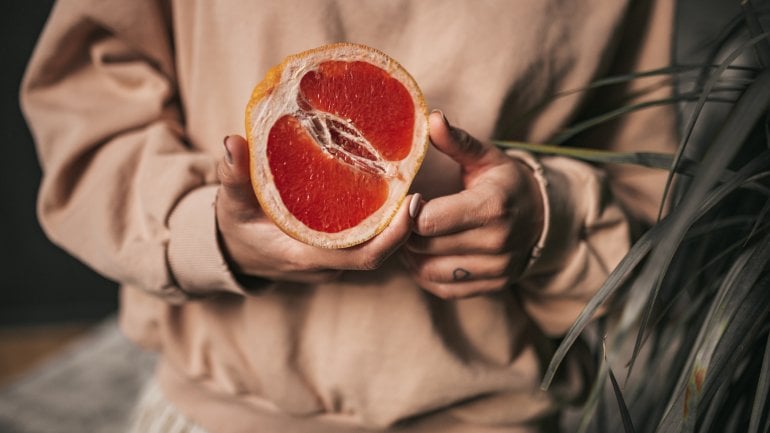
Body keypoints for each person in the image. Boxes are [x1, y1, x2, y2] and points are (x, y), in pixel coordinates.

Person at [21, 0, 676, 432]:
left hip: (494, 414)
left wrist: (549, 220)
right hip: (218, 410)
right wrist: (203, 230)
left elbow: (661, 205)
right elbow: (88, 115)